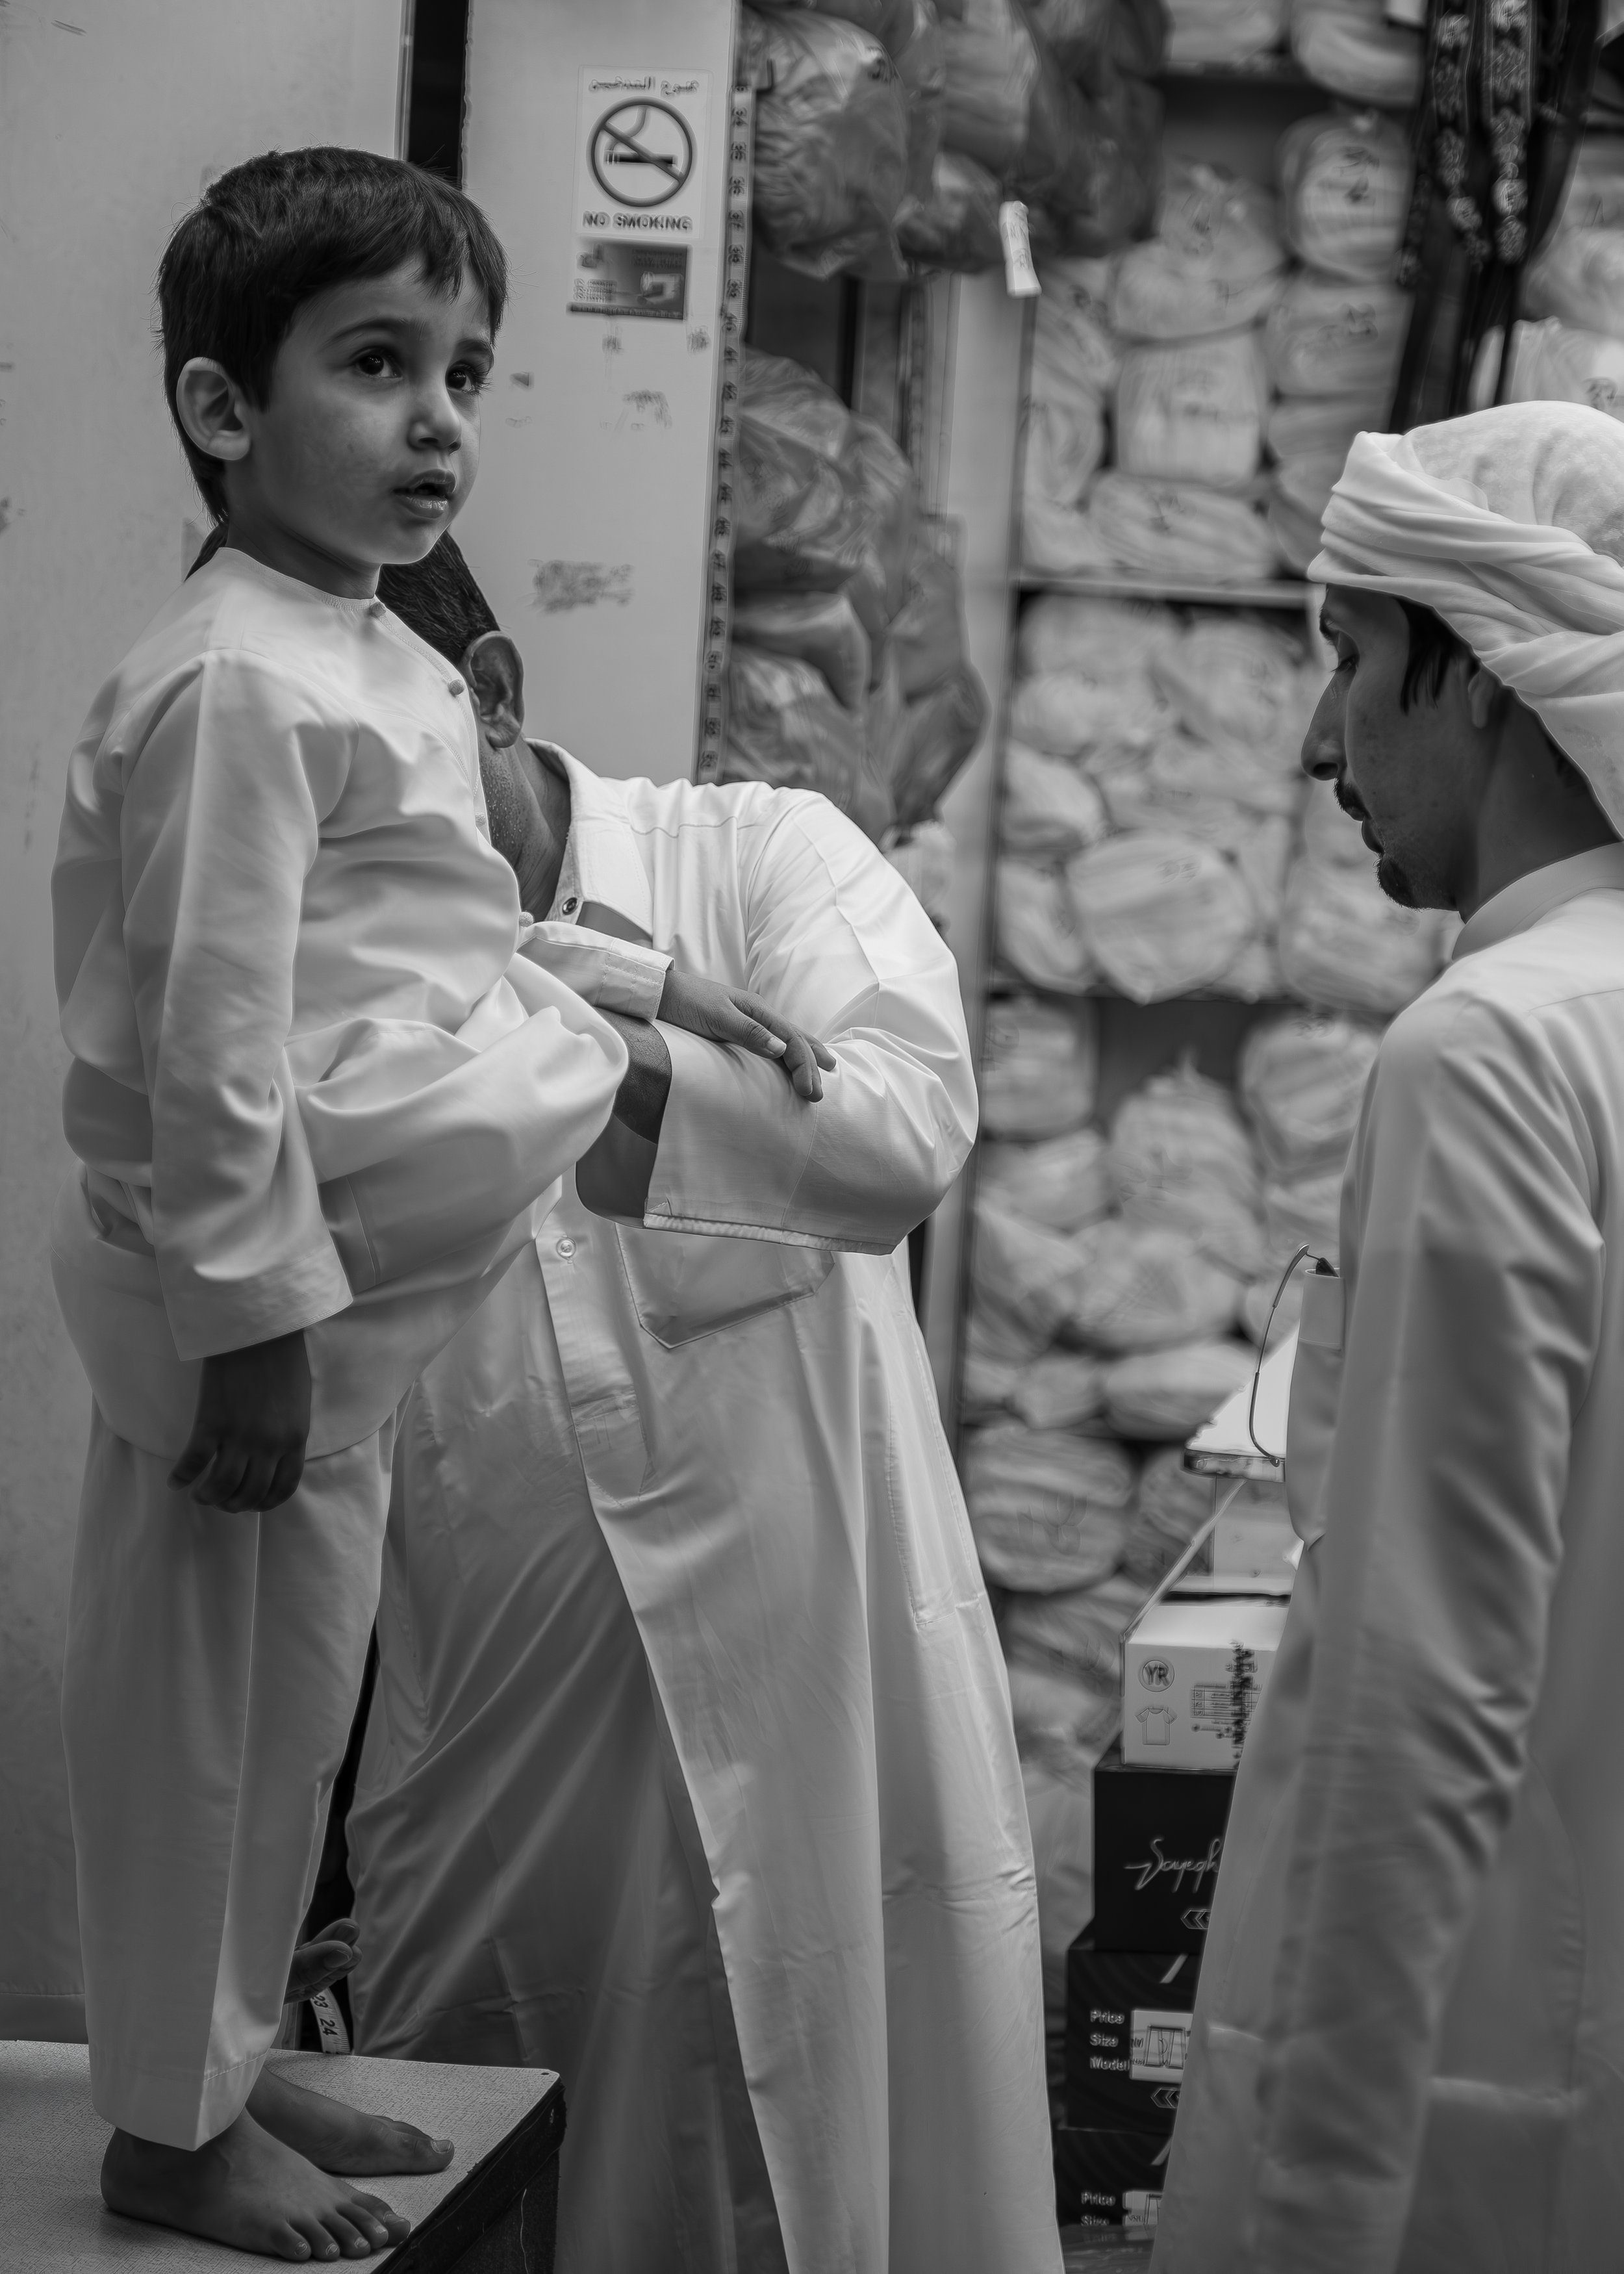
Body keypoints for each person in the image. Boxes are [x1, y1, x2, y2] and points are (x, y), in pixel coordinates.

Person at [51, 148, 816, 2266]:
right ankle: (163, 2130)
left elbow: (452, 937)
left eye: (467, 371)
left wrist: (672, 980)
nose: (440, 420)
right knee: (203, 1718)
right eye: (378, 365)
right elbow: (211, 1045)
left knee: (294, 1714)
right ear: (226, 411)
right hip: (254, 1307)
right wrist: (256, 1327)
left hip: (350, 1291)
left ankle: (215, 2054)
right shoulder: (235, 681)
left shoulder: (371, 648)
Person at [340, 538, 1063, 2274]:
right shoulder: (344, 980)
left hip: (820, 1736)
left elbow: (896, 1127)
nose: (355, 837)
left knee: (832, 2172)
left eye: (387, 772)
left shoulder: (753, 858)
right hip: (500, 1775)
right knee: (499, 2174)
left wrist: (606, 1021)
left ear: (495, 695)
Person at [1152, 402, 1624, 2273]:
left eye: (1349, 653)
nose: (1315, 734)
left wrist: (1315, 2198)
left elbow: (1423, 1685)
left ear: (1485, 672)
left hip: (1462, 2054)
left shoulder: (1494, 1044)